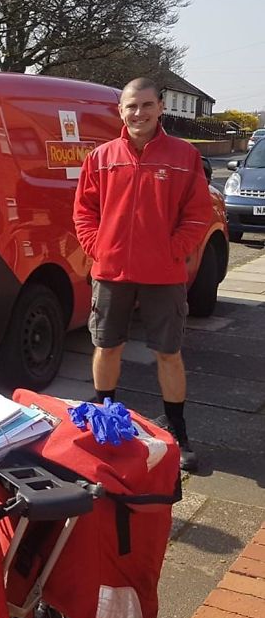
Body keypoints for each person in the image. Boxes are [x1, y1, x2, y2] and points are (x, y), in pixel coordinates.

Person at [73, 77, 213, 471]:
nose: (139, 113)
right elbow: (84, 211)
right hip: (111, 271)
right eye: (131, 106)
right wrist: (98, 248)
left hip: (163, 276)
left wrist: (172, 251)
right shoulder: (101, 157)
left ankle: (178, 430)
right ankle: (104, 421)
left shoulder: (183, 155)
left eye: (146, 105)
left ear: (161, 106)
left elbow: (198, 214)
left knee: (168, 353)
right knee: (107, 346)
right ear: (121, 110)